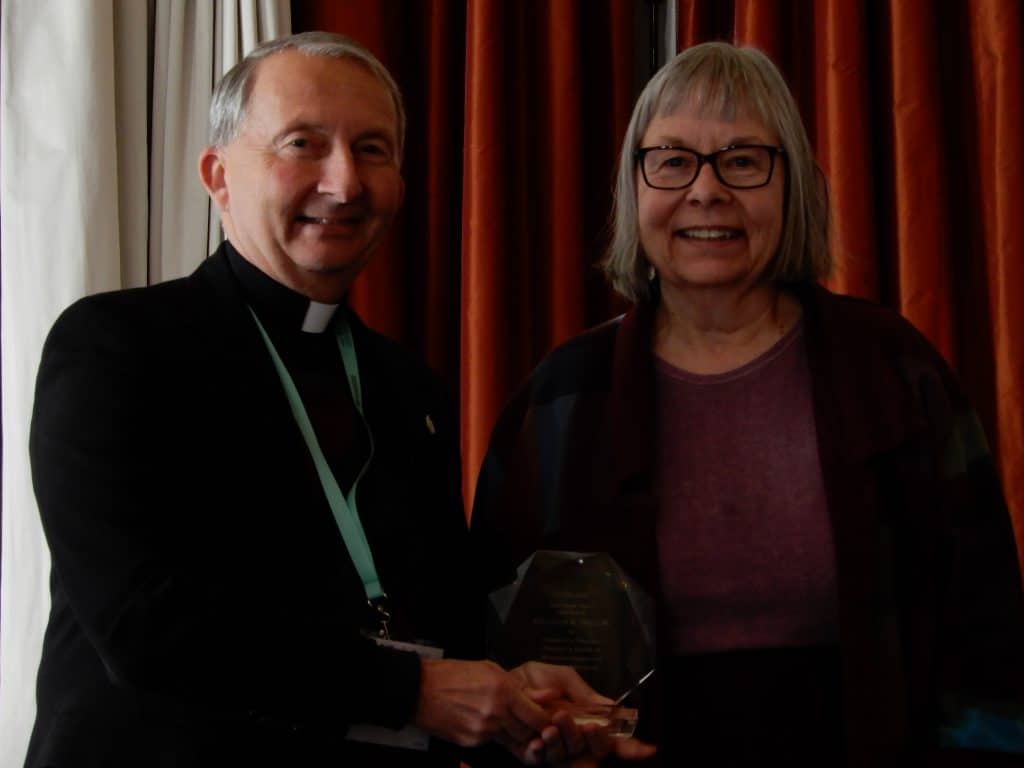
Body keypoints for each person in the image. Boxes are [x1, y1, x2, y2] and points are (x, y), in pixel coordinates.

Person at [25, 31, 646, 768]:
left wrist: (516, 699)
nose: (344, 182)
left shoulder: (409, 388)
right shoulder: (117, 346)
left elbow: (433, 625)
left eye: (374, 149)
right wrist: (412, 689)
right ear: (219, 176)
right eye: (303, 144)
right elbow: (143, 625)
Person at [471, 41, 1024, 765]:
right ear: (633, 188)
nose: (706, 191)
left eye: (743, 160)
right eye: (671, 160)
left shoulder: (893, 368)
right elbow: (490, 640)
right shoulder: (564, 396)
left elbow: (986, 629)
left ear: (792, 184)